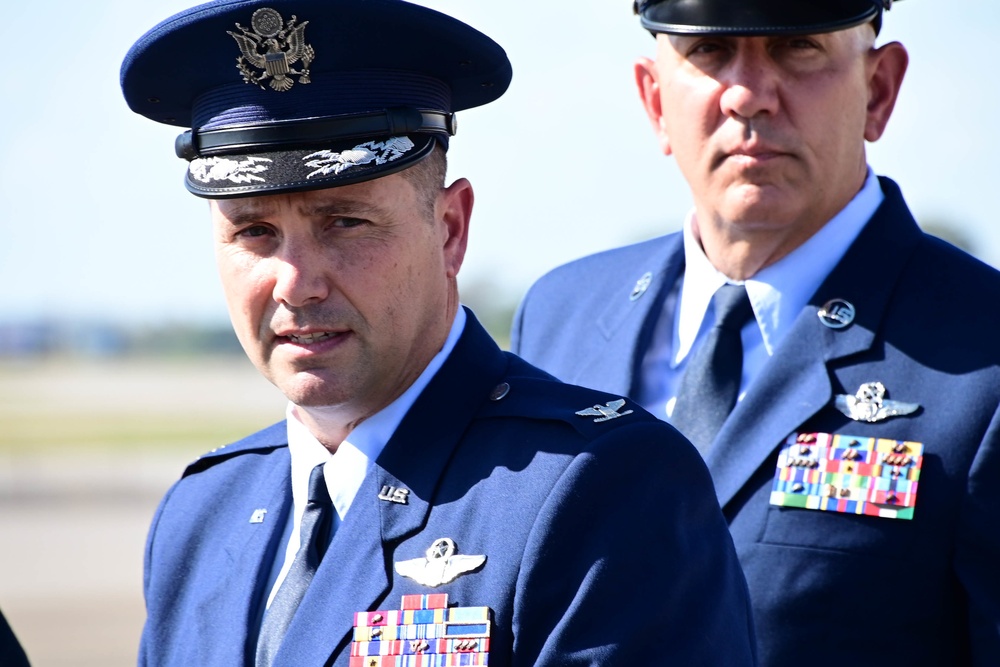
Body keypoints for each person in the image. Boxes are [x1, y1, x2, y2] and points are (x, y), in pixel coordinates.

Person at [120, 1, 757, 665]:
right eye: (254, 232)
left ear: (450, 229)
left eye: (345, 222)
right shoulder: (203, 513)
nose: (296, 282)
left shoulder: (601, 489)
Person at [512, 0, 1000, 664]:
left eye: (797, 47)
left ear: (878, 91)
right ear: (656, 101)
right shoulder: (561, 320)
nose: (748, 95)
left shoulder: (983, 354)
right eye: (709, 53)